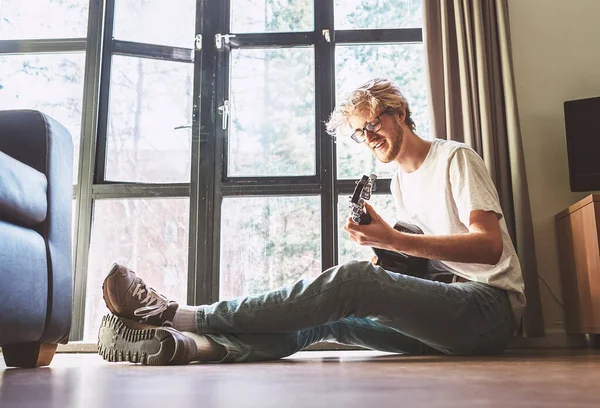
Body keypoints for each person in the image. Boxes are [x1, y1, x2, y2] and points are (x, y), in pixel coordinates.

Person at [98, 78, 525, 365]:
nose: (369, 137)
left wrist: (394, 240)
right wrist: (389, 254)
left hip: (488, 310)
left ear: (399, 113)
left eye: (373, 123)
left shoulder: (454, 158)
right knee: (326, 316)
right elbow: (427, 265)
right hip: (445, 317)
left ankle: (181, 315)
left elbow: (488, 247)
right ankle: (190, 346)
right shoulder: (400, 184)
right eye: (361, 132)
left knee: (354, 283)